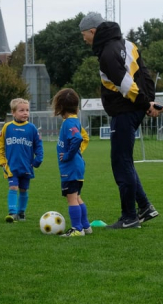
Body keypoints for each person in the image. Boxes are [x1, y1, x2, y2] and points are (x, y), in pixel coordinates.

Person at [79, 12, 163, 229]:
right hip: (133, 109)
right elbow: (145, 76)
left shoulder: (107, 53)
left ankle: (129, 217)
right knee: (125, 160)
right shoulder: (129, 44)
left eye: (84, 35)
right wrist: (149, 103)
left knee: (120, 163)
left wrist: (145, 105)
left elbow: (125, 85)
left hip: (124, 111)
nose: (84, 40)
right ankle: (144, 207)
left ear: (93, 31)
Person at [0, 98, 44, 223]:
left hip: (27, 166)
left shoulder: (32, 128)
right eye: (21, 110)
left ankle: (21, 212)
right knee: (13, 187)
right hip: (11, 166)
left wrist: (38, 160)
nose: (25, 113)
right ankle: (12, 213)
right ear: (13, 112)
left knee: (23, 189)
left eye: (27, 110)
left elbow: (38, 145)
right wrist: (2, 161)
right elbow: (0, 146)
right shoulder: (7, 127)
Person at [52, 88, 92, 237]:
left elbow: (77, 138)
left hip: (71, 167)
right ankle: (86, 226)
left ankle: (77, 229)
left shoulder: (69, 123)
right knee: (77, 197)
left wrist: (68, 155)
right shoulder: (74, 120)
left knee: (71, 198)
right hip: (76, 167)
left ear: (60, 106)